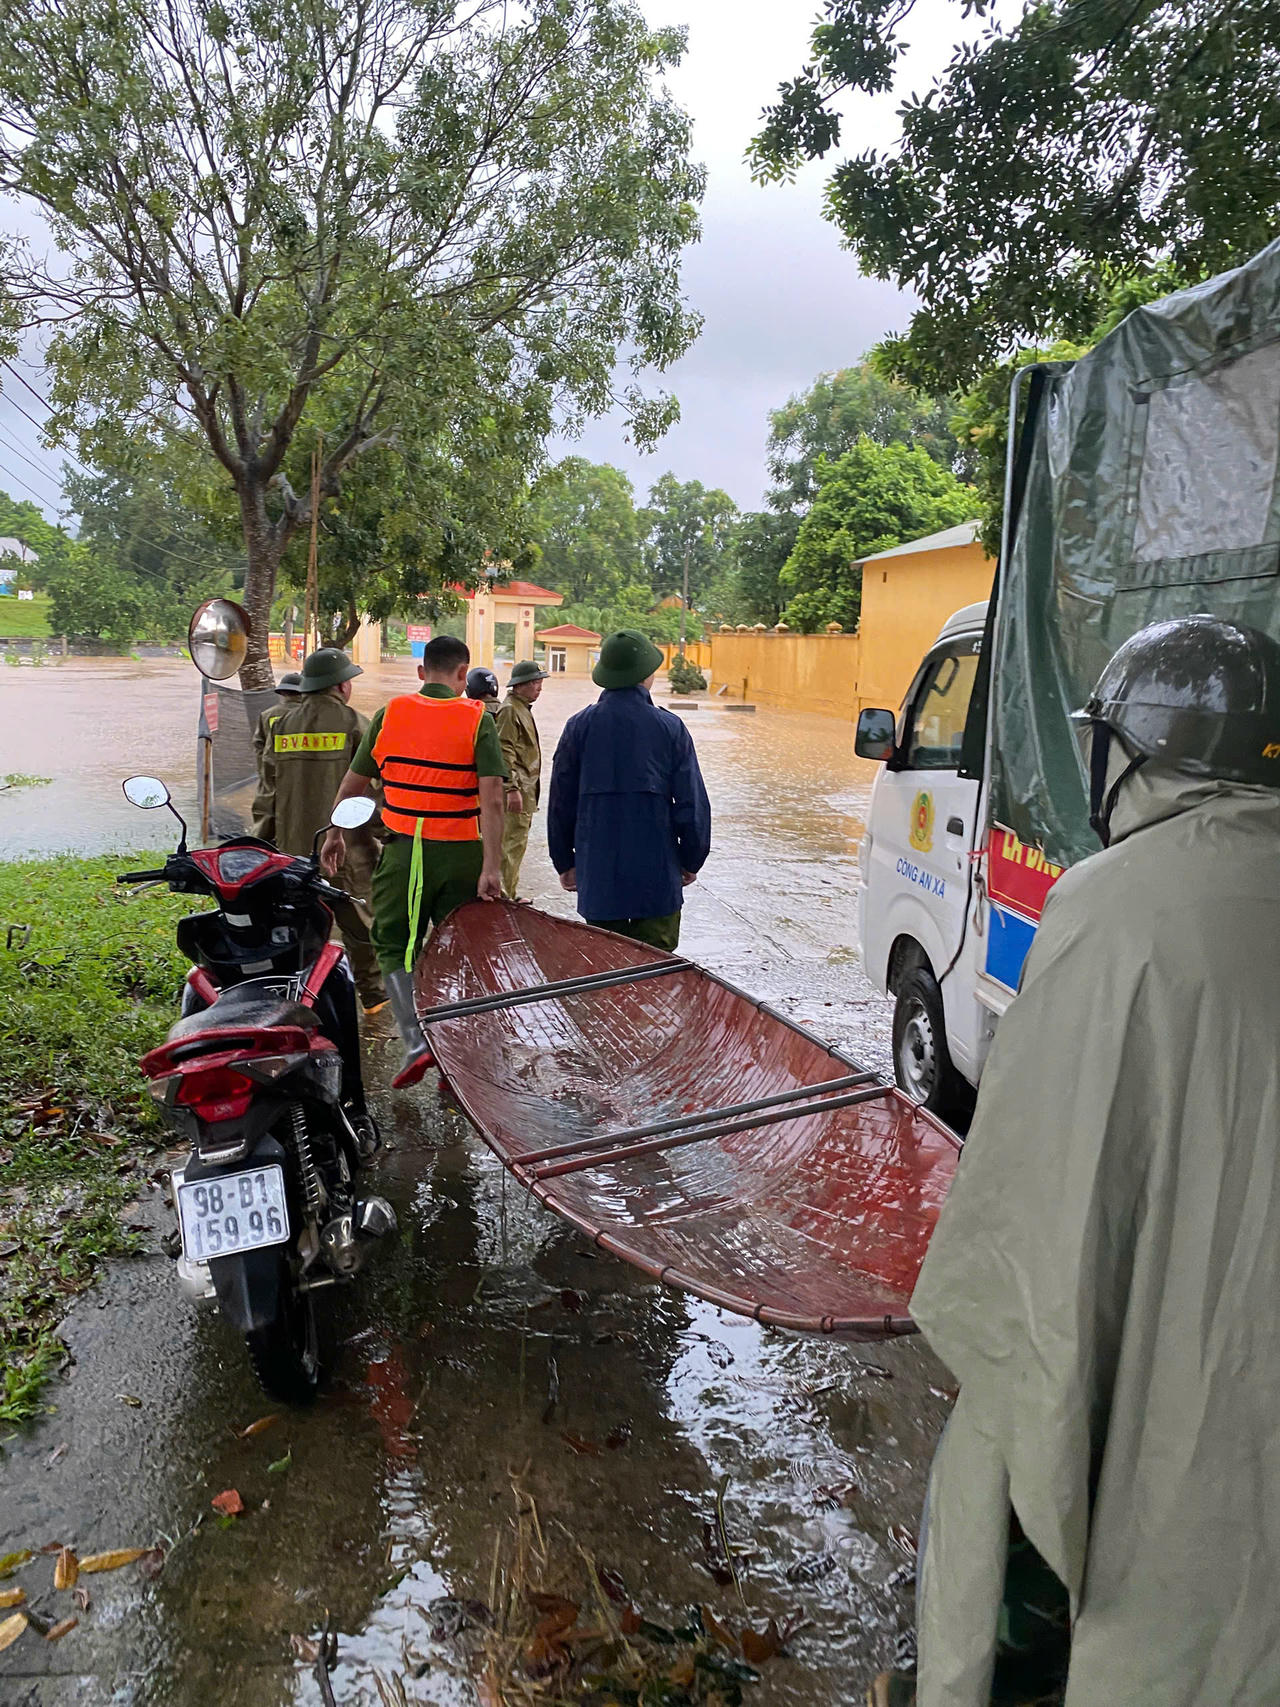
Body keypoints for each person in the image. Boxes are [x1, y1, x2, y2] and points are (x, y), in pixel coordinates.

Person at [892, 614, 1280, 1707]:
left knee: (1036, 1460)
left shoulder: (1112, 907)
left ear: (1136, 755)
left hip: (1176, 1370)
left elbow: (1032, 1215)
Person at [321, 634, 506, 1087]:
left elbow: (353, 785)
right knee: (462, 950)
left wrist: (335, 832)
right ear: (464, 676)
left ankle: (418, 1045)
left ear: (421, 673)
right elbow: (494, 799)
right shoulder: (478, 718)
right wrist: (492, 866)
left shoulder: (389, 714)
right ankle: (459, 1049)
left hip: (403, 853)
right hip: (461, 853)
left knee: (394, 944)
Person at [547, 629, 710, 951]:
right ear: (647, 674)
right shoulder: (670, 727)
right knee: (656, 971)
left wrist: (564, 862)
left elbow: (560, 804)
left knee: (605, 968)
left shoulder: (578, 727)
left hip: (599, 879)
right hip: (658, 878)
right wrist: (692, 859)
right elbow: (692, 803)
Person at [251, 647, 385, 1013]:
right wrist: (390, 837)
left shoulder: (281, 726)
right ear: (341, 686)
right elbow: (373, 796)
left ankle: (299, 1002)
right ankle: (374, 1002)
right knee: (361, 930)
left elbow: (268, 794)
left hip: (294, 852)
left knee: (299, 929)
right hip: (349, 851)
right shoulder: (358, 724)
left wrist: (261, 847)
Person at [495, 659, 547, 899]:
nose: (539, 688)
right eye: (535, 683)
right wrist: (511, 788)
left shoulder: (521, 708)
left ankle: (509, 892)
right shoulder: (509, 710)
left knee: (516, 844)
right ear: (520, 685)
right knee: (510, 846)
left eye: (540, 682)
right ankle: (504, 897)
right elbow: (505, 750)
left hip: (526, 790)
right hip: (518, 790)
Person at [252, 669, 302, 766]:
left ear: (282, 692)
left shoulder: (266, 715)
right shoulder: (311, 714)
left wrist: (264, 774)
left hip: (275, 770)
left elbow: (259, 746)